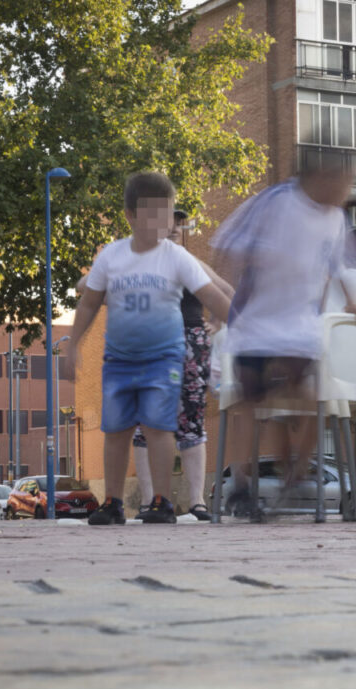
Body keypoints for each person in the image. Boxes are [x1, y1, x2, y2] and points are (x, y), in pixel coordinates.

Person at [210, 151, 356, 517]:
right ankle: (241, 485)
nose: (348, 191)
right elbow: (226, 242)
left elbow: (342, 265)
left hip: (300, 328)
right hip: (257, 325)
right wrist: (236, 285)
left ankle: (294, 469)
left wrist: (354, 302)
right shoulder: (275, 202)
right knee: (253, 405)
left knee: (309, 397)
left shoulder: (336, 218)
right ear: (321, 177)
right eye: (345, 182)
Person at [63, 172, 231, 525]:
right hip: (126, 355)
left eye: (171, 217)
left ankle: (178, 501)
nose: (166, 225)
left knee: (172, 426)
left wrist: (232, 323)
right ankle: (126, 502)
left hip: (174, 350)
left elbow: (221, 293)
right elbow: (88, 294)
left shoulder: (181, 258)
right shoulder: (117, 256)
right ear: (132, 217)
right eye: (155, 215)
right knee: (126, 428)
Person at [130, 210, 234, 521]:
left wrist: (214, 325)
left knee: (191, 420)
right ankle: (150, 501)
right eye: (167, 222)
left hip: (189, 342)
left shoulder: (190, 262)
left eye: (178, 223)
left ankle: (197, 502)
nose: (175, 228)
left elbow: (227, 292)